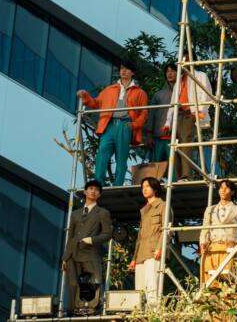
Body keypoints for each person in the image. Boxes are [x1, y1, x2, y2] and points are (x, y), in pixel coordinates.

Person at [78, 62, 148, 187]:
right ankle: (99, 183)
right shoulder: (109, 89)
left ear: (132, 72)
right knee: (102, 154)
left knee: (121, 157)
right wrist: (86, 96)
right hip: (109, 125)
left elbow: (144, 113)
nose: (123, 71)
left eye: (127, 69)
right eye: (122, 68)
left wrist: (134, 125)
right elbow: (95, 103)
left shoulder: (140, 92)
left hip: (125, 125)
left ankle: (118, 185)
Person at [62, 180, 113, 314]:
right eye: (90, 188)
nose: (93, 191)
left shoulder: (102, 212)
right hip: (73, 254)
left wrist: (91, 240)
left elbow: (107, 234)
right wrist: (65, 257)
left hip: (91, 253)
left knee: (94, 284)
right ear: (85, 192)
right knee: (73, 285)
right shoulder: (75, 214)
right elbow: (70, 236)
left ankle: (93, 312)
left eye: (96, 190)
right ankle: (72, 313)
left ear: (99, 194)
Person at [163, 64, 213, 180]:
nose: (184, 62)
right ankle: (178, 176)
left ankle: (186, 175)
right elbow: (173, 102)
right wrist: (167, 122)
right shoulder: (180, 79)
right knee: (175, 145)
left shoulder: (200, 76)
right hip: (178, 114)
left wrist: (201, 111)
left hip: (191, 113)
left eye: (186, 59)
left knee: (185, 143)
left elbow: (206, 94)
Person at [199, 180, 237, 287]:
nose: (223, 190)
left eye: (226, 188)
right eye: (221, 188)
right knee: (210, 283)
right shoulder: (210, 209)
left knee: (227, 283)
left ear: (232, 192)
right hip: (212, 248)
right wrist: (202, 243)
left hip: (229, 248)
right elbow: (205, 229)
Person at [129, 177, 165, 306]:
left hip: (154, 252)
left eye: (147, 186)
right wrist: (134, 258)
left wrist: (160, 248)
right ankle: (140, 315)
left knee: (152, 288)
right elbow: (140, 237)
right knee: (139, 291)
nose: (144, 189)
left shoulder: (163, 206)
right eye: (143, 187)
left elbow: (167, 230)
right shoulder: (144, 210)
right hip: (141, 255)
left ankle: (153, 315)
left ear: (155, 188)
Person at [144, 64, 176, 167]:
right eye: (167, 71)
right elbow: (151, 115)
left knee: (174, 169)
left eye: (172, 71)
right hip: (159, 137)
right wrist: (149, 134)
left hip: (176, 138)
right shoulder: (159, 94)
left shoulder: (185, 92)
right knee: (156, 168)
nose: (170, 73)